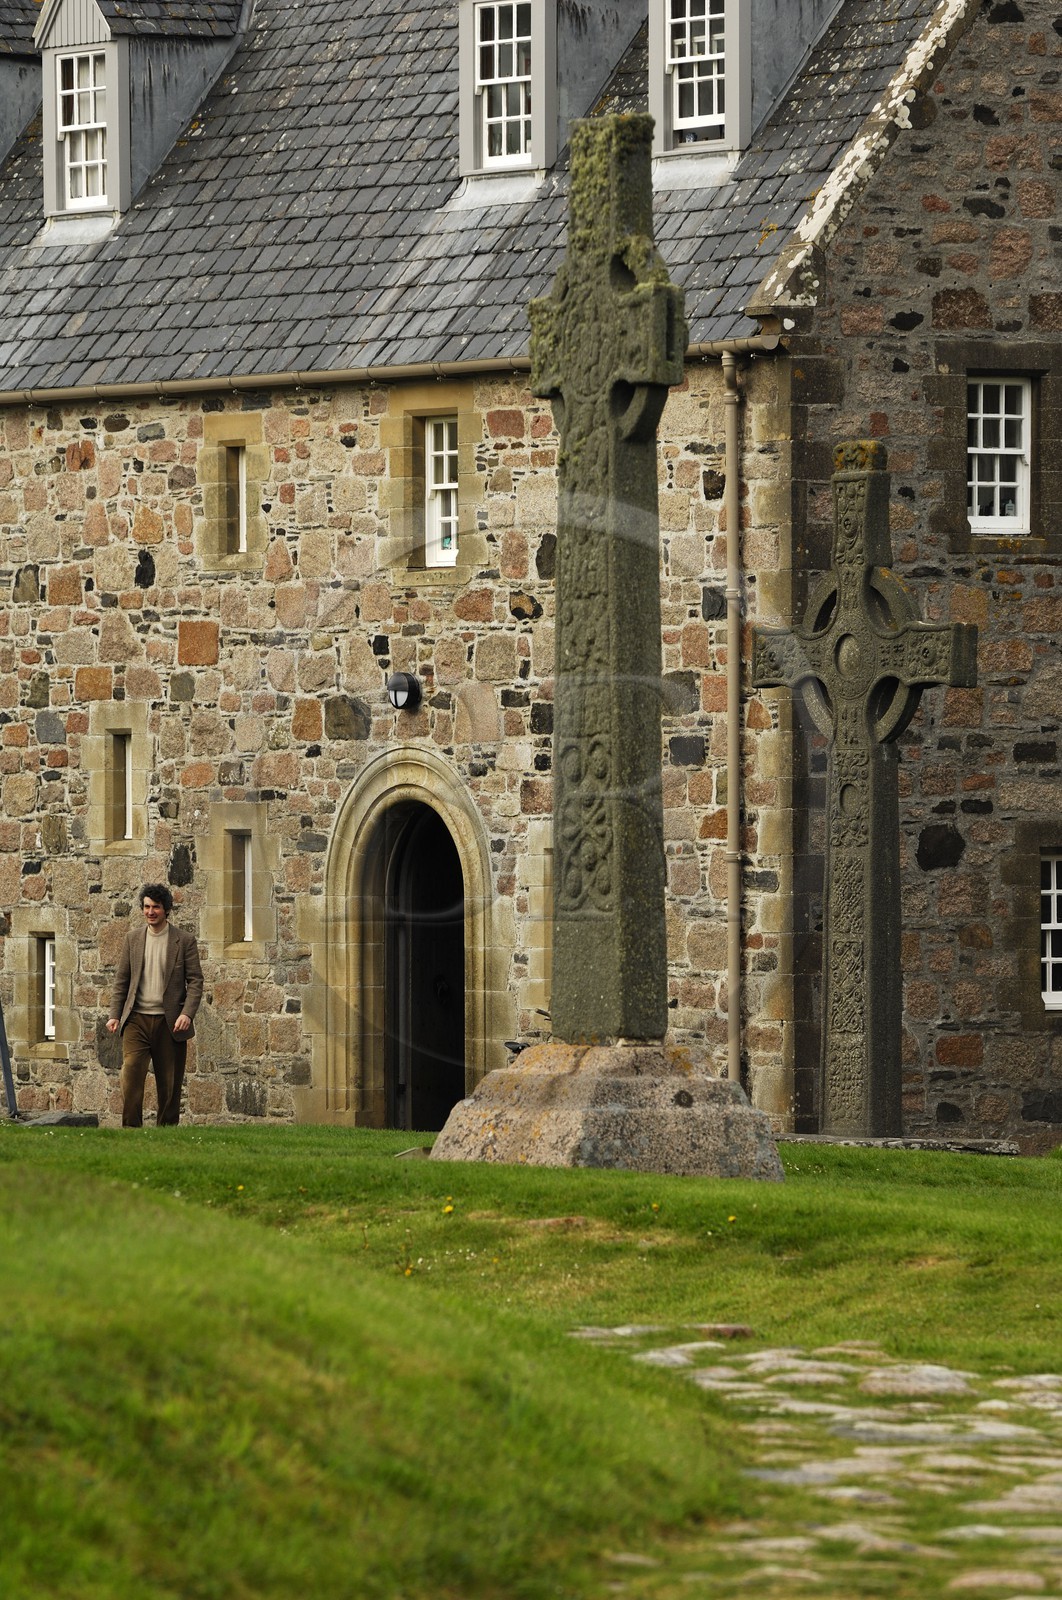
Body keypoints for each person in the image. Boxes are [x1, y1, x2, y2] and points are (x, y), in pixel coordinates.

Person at [107, 884, 203, 1128]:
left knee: (169, 1085)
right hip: (136, 1020)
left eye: (156, 907)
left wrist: (187, 1014)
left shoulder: (184, 941)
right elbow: (122, 980)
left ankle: (167, 1133)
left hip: (169, 1023)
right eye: (147, 907)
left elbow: (195, 981)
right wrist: (114, 1015)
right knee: (131, 1076)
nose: (151, 912)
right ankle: (130, 1130)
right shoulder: (133, 939)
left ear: (166, 910)